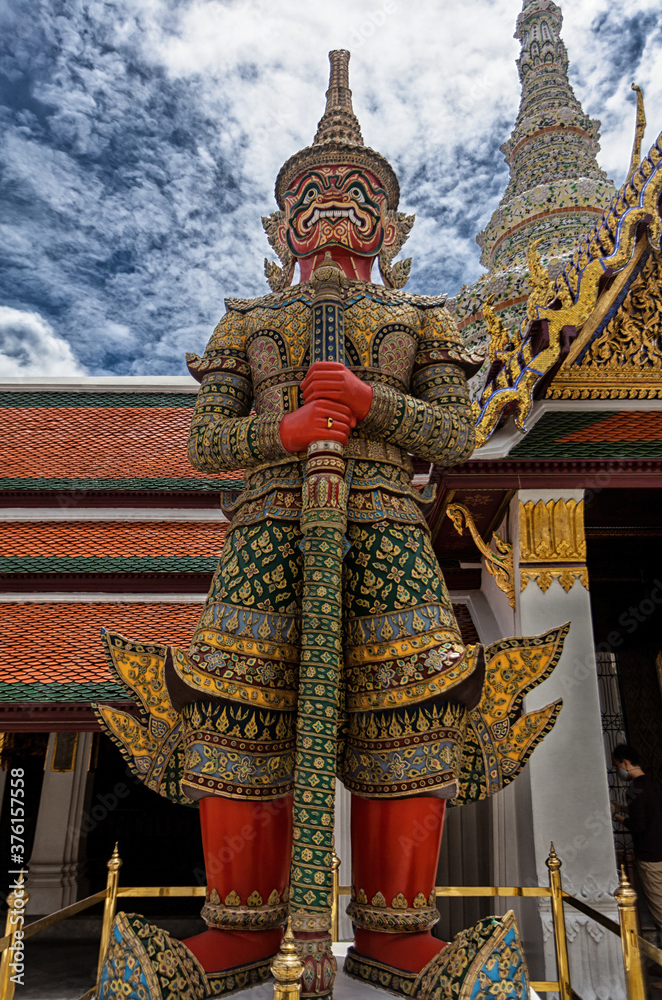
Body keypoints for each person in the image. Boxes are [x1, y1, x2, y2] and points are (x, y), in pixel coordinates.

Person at [96, 49, 566, 1000]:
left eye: (357, 190)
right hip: (269, 531)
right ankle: (241, 927)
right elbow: (204, 442)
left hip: (389, 530)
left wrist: (365, 402)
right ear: (282, 222)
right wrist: (290, 428)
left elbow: (458, 431)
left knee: (410, 709)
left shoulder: (424, 318)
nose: (334, 206)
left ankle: (395, 933)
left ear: (389, 219)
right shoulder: (248, 324)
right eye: (312, 192)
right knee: (236, 710)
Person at [612, 743, 662, 945]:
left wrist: (617, 816)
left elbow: (638, 824)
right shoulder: (651, 784)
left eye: (617, 765)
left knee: (659, 909)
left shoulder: (634, 788)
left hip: (649, 856)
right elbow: (648, 813)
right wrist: (623, 808)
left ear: (625, 762)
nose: (618, 770)